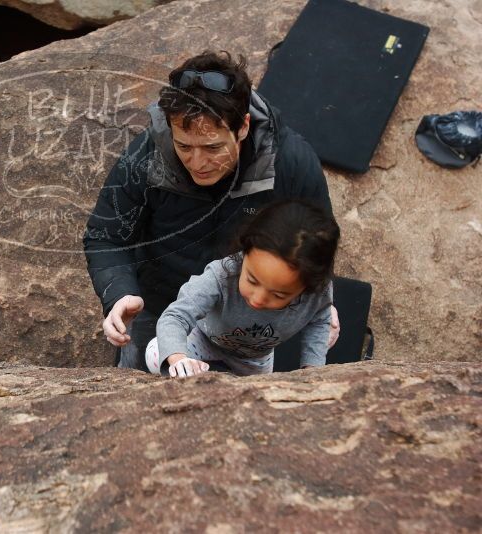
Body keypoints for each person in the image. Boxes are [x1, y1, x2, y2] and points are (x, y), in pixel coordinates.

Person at [83, 50, 339, 372]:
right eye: (184, 146)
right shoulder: (145, 159)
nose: (198, 163)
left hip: (250, 313)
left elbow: (318, 239)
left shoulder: (290, 164)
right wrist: (119, 294)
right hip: (161, 303)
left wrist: (317, 294)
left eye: (213, 147)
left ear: (243, 126)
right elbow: (106, 236)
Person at [145, 199, 339, 377]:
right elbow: (175, 317)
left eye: (279, 294)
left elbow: (320, 320)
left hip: (256, 358)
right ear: (244, 252)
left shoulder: (318, 294)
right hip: (205, 339)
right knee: (155, 354)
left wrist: (313, 369)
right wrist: (179, 359)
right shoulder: (222, 274)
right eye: (252, 280)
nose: (258, 299)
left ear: (308, 287)